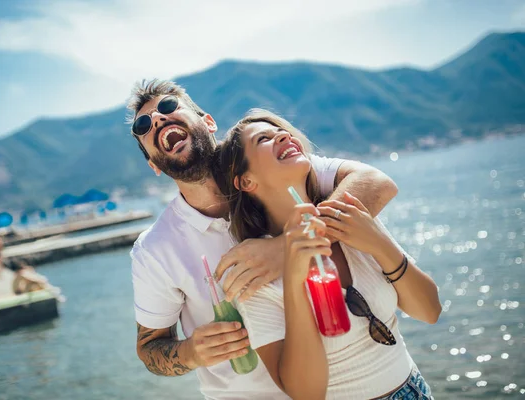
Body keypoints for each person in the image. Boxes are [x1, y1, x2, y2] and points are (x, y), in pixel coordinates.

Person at [127, 79, 399, 399]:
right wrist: (190, 353)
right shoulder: (154, 250)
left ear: (209, 122)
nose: (157, 119)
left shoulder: (272, 164)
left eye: (169, 106)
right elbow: (149, 348)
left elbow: (376, 183)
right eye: (143, 125)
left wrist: (285, 248)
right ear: (152, 163)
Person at [214, 109, 441, 399]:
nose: (284, 136)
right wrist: (294, 282)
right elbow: (307, 394)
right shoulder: (257, 271)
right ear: (246, 182)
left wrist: (379, 243)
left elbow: (430, 311)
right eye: (264, 139)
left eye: (282, 132)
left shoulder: (351, 216)